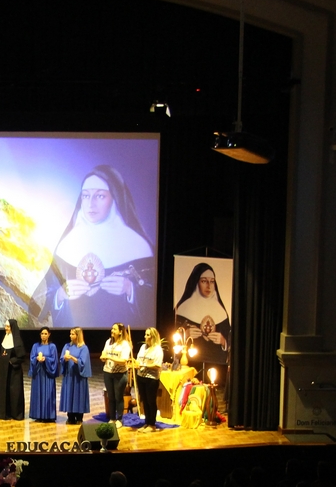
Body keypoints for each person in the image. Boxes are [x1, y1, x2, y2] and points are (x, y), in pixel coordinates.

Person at [42, 165, 155, 326]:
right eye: (86, 196)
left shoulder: (139, 247)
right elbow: (42, 297)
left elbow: (155, 298)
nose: (90, 204)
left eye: (100, 196)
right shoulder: (67, 244)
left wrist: (130, 289)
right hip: (72, 337)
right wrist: (60, 295)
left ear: (114, 198)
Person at [174, 261, 231, 367]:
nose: (209, 286)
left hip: (216, 364)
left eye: (212, 281)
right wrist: (186, 334)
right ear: (196, 282)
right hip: (190, 363)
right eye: (204, 281)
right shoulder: (183, 309)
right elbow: (173, 337)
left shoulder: (221, 311)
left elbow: (230, 340)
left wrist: (223, 341)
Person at [100, 323, 133, 421]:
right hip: (107, 372)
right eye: (112, 329)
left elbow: (123, 360)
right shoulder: (108, 342)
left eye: (114, 329)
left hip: (120, 374)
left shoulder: (125, 344)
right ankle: (112, 418)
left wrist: (109, 357)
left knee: (118, 397)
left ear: (120, 332)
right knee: (111, 397)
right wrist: (103, 357)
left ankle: (119, 419)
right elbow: (104, 354)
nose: (112, 331)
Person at [134, 327, 165, 431]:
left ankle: (152, 424)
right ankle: (146, 423)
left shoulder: (157, 349)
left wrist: (144, 365)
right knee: (145, 401)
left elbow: (157, 365)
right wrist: (135, 364)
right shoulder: (143, 347)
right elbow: (138, 361)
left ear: (153, 336)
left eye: (147, 335)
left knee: (151, 401)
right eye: (145, 334)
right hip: (141, 377)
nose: (145, 336)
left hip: (151, 379)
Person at [59, 327, 92, 424]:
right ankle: (70, 416)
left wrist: (72, 358)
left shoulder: (83, 348)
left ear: (78, 335)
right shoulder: (67, 346)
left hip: (78, 377)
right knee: (69, 394)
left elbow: (83, 362)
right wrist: (65, 359)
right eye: (70, 334)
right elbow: (62, 359)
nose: (70, 336)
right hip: (69, 375)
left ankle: (79, 417)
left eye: (72, 334)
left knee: (79, 395)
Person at [0, 319, 27, 421]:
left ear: (13, 328)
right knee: (4, 390)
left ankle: (16, 414)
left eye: (8, 327)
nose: (6, 328)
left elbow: (22, 357)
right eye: (5, 326)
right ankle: (4, 413)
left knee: (15, 392)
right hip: (4, 371)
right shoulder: (5, 338)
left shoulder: (17, 341)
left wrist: (12, 361)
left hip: (14, 371)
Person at [28, 327, 59, 422]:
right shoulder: (35, 346)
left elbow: (54, 360)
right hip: (38, 373)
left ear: (49, 334)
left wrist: (46, 359)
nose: (43, 335)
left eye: (45, 333)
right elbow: (32, 358)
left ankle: (48, 416)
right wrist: (36, 359)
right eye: (42, 333)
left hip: (48, 373)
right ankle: (38, 415)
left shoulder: (52, 346)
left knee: (48, 393)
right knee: (38, 393)